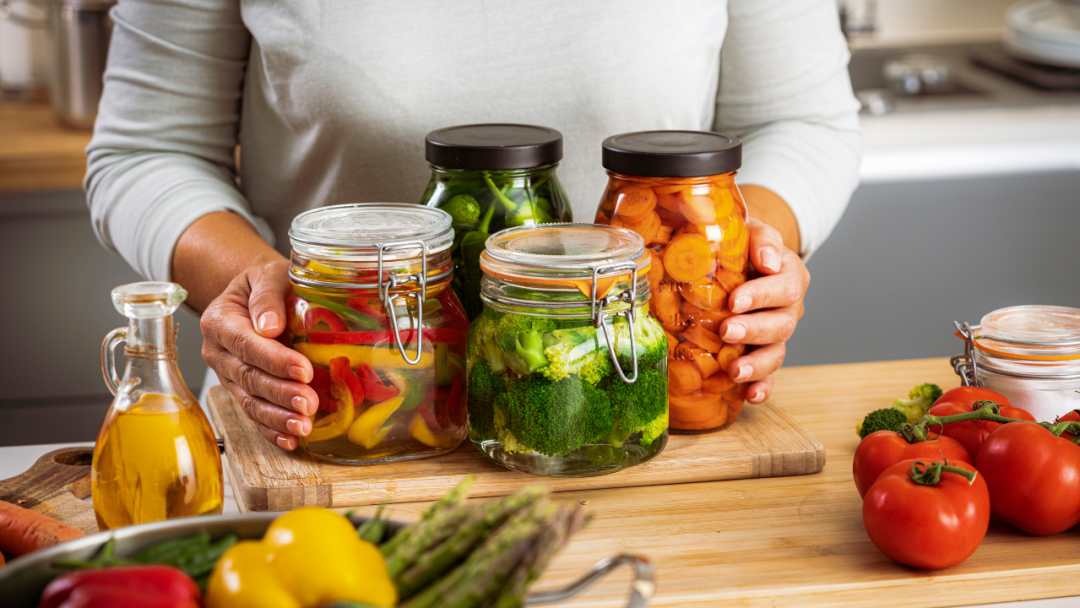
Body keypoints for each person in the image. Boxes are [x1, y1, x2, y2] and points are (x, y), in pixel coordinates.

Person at [86, 0, 861, 451]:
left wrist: (745, 250)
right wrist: (249, 283)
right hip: (338, 411)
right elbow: (145, 149)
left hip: (638, 412)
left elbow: (802, 121)